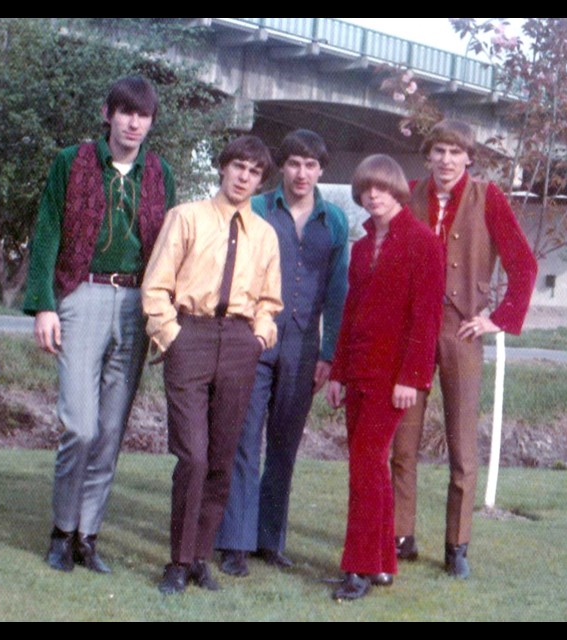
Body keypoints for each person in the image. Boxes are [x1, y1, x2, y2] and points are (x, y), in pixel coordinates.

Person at [24, 75, 175, 575]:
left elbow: (168, 250)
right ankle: (61, 531)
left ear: (151, 122)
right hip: (82, 295)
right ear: (108, 113)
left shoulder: (159, 173)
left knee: (111, 430)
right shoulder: (73, 162)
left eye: (144, 115)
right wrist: (44, 304)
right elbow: (47, 230)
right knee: (80, 426)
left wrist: (161, 315)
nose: (134, 122)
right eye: (126, 112)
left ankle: (88, 536)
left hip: (136, 301)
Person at [390, 119, 538, 579]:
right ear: (428, 155)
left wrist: (497, 319)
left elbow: (524, 266)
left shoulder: (487, 197)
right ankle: (400, 536)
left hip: (462, 331)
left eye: (455, 152)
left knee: (462, 446)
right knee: (403, 442)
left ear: (468, 157)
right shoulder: (408, 194)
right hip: (411, 332)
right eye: (439, 151)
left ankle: (457, 546)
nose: (447, 161)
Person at [142, 135, 283, 595]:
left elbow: (269, 300)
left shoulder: (264, 234)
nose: (244, 177)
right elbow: (156, 285)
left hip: (240, 343)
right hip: (191, 336)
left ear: (261, 180)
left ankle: (201, 556)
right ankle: (178, 561)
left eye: (254, 171)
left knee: (222, 458)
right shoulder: (187, 217)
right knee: (194, 456)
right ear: (223, 168)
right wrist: (172, 337)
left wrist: (259, 335)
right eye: (238, 166)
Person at [214, 130, 349, 576]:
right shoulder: (256, 208)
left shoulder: (334, 221)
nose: (302, 173)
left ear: (321, 171)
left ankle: (271, 539)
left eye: (311, 165)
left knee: (285, 446)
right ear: (282, 167)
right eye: (294, 163)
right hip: (255, 336)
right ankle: (235, 540)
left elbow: (336, 292)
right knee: (243, 438)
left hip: (304, 345)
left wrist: (329, 354)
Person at [326, 154, 445, 601]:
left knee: (365, 465)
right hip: (355, 370)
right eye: (365, 189)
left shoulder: (423, 243)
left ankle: (357, 567)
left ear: (397, 190)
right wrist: (337, 372)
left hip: (391, 376)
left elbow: (425, 319)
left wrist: (411, 378)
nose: (372, 196)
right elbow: (350, 311)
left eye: (381, 188)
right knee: (371, 467)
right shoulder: (359, 246)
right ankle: (382, 565)